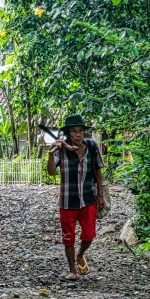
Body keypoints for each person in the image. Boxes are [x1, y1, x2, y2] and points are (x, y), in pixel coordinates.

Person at [47, 115, 104, 281]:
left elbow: (98, 170)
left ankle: (80, 255)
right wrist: (51, 152)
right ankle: (73, 270)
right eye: (74, 131)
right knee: (68, 237)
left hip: (88, 198)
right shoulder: (61, 150)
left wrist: (100, 194)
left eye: (80, 131)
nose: (78, 134)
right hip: (67, 200)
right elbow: (51, 172)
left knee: (89, 234)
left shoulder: (91, 146)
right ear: (68, 134)